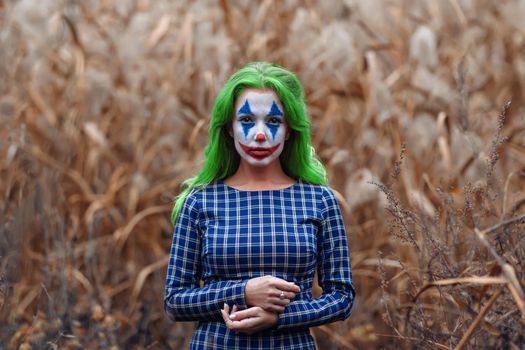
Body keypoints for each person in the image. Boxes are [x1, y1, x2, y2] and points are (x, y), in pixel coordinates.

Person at [164, 61, 355, 349]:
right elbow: (175, 299)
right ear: (229, 127)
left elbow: (342, 296)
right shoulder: (199, 201)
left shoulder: (320, 200)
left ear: (290, 130)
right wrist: (243, 292)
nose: (260, 134)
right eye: (247, 120)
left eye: (274, 121)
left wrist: (281, 317)